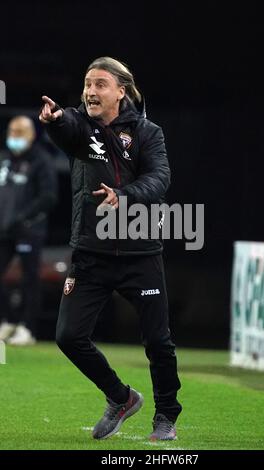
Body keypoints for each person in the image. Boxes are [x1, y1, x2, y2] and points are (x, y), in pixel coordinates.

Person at [39, 57, 182, 441]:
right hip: (91, 252)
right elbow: (66, 126)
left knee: (158, 341)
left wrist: (124, 195)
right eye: (87, 83)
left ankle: (166, 415)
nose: (90, 91)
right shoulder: (79, 127)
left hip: (140, 254)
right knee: (69, 337)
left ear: (121, 90)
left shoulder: (148, 132)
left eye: (100, 84)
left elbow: (159, 178)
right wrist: (54, 120)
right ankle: (120, 398)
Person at [0, 116, 57, 345]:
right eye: (12, 131)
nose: (15, 136)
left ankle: (27, 327)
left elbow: (49, 196)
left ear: (32, 135)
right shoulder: (5, 161)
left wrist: (23, 218)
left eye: (21, 132)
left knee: (29, 279)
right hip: (4, 230)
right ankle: (9, 320)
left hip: (28, 230)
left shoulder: (41, 161)